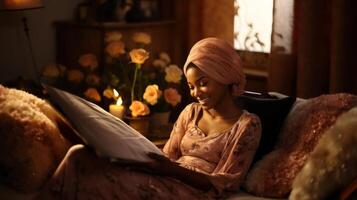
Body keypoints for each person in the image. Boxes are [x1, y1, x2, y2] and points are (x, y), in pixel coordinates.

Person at [37, 37, 262, 199]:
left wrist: (169, 170)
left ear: (225, 76)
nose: (196, 93)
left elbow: (226, 183)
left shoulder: (247, 125)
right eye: (192, 86)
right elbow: (167, 156)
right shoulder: (191, 112)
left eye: (203, 83)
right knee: (79, 154)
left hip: (192, 191)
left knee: (101, 180)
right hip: (167, 177)